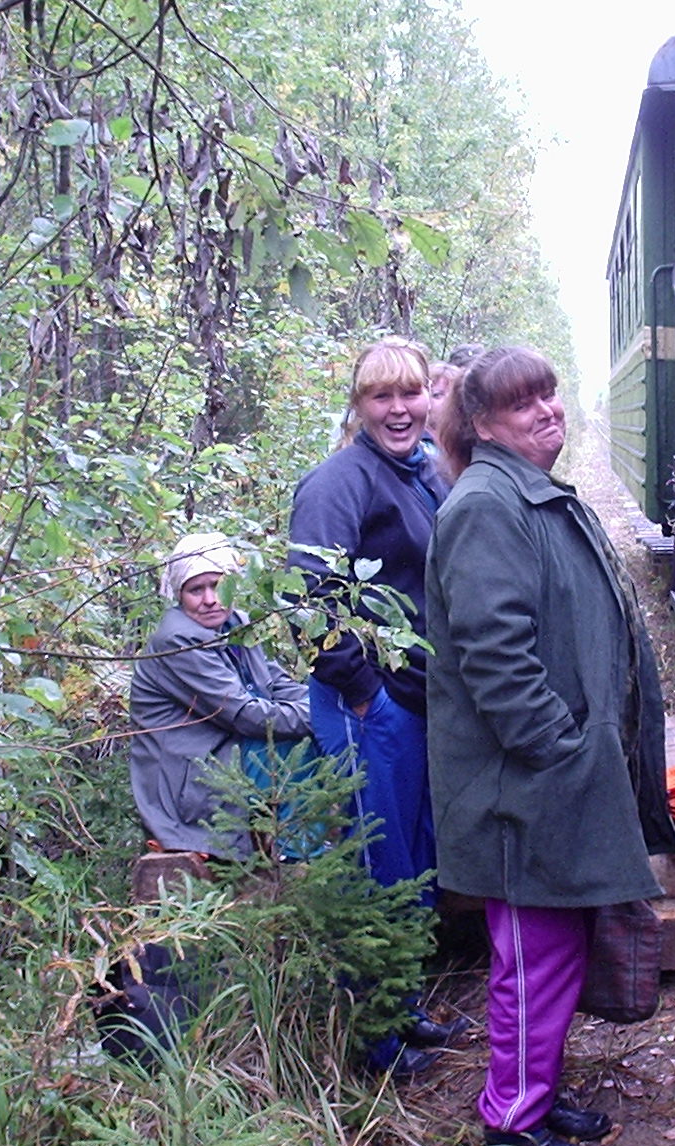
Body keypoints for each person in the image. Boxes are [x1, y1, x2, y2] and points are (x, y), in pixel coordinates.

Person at [426, 346, 675, 1146]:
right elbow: (496, 658)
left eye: (549, 394)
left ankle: (533, 1090)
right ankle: (512, 1122)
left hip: (553, 775)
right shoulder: (486, 506)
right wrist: (558, 750)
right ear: (482, 423)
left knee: (557, 949)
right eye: (521, 403)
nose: (547, 411)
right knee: (532, 959)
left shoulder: (525, 493)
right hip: (524, 784)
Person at [287, 336, 463, 1071]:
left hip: (414, 698)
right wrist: (362, 694)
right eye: (380, 396)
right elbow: (308, 600)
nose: (398, 409)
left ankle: (403, 1006)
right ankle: (375, 1044)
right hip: (367, 703)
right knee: (377, 867)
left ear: (430, 397)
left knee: (414, 863)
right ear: (358, 405)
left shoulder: (422, 471)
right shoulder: (339, 482)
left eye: (410, 393)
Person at [129, 532, 314, 860]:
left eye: (217, 585)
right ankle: (298, 855)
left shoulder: (237, 624)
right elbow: (244, 715)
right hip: (191, 777)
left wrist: (325, 705)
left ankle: (320, 848)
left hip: (225, 753)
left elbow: (275, 683)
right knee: (295, 747)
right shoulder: (178, 641)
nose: (210, 599)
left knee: (330, 736)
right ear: (179, 594)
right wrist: (321, 717)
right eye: (196, 590)